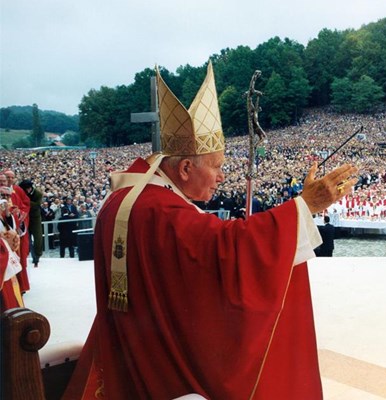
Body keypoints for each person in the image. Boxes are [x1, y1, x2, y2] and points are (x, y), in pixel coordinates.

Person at [63, 61, 358, 400]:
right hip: (163, 378)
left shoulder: (127, 199)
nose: (221, 177)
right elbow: (225, 251)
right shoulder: (161, 212)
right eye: (217, 166)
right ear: (186, 167)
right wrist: (303, 206)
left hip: (131, 356)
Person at [3, 170, 30, 293]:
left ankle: (22, 286)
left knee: (20, 258)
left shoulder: (17, 190)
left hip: (17, 229)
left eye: (11, 177)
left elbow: (26, 204)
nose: (9, 180)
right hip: (4, 231)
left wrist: (20, 214)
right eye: (6, 178)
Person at [18, 180, 43, 268]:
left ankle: (37, 255)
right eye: (25, 189)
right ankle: (28, 254)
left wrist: (25, 201)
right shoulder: (21, 192)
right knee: (26, 237)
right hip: (25, 217)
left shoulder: (38, 194)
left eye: (28, 189)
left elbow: (36, 205)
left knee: (38, 237)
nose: (27, 191)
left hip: (35, 218)